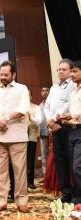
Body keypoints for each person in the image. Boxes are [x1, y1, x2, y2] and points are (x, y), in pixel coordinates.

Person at [0, 60, 30, 214]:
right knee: (0, 171)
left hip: (17, 135)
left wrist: (5, 118)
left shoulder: (22, 89)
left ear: (13, 74)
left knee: (20, 171)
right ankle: (0, 201)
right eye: (1, 74)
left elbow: (23, 108)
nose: (2, 77)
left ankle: (22, 201)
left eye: (6, 75)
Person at [44, 58, 74, 203]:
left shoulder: (73, 85)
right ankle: (65, 193)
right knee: (60, 161)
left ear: (70, 71)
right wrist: (50, 121)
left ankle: (76, 192)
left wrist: (55, 119)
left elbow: (70, 104)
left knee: (72, 161)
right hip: (55, 128)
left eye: (64, 69)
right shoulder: (54, 87)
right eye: (59, 69)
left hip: (67, 126)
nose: (61, 71)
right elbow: (47, 106)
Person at [59, 60, 81, 204]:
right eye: (71, 71)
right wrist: (68, 116)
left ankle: (78, 197)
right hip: (72, 131)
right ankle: (77, 197)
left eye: (74, 71)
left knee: (78, 166)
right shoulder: (74, 91)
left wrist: (73, 116)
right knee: (73, 166)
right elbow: (75, 112)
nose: (71, 74)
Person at [27, 89, 42, 190]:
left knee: (30, 160)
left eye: (28, 95)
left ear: (31, 97)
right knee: (19, 161)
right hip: (18, 137)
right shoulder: (17, 108)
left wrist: (30, 117)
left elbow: (39, 121)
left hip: (31, 136)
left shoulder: (36, 107)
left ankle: (30, 182)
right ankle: (20, 182)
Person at [39, 86, 50, 175]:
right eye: (43, 91)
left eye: (46, 90)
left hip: (52, 133)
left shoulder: (52, 103)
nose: (44, 92)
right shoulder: (40, 105)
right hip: (43, 133)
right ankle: (45, 176)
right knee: (44, 155)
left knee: (52, 155)